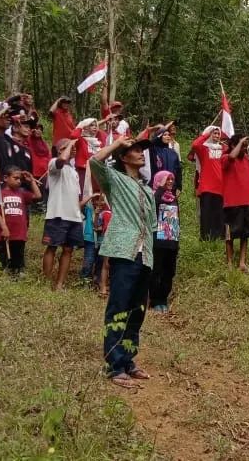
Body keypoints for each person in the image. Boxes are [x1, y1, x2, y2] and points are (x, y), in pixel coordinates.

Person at [90, 135, 156, 389]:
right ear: (124, 157)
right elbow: (95, 162)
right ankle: (114, 365)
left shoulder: (147, 190)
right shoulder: (115, 180)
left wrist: (151, 257)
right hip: (123, 251)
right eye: (136, 150)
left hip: (145, 254)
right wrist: (118, 143)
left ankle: (128, 359)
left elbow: (151, 226)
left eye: (141, 150)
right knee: (118, 306)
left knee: (137, 310)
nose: (141, 154)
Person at [41, 139, 85, 290]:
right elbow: (61, 161)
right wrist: (70, 142)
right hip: (57, 214)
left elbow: (76, 195)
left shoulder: (73, 172)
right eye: (69, 147)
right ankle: (46, 283)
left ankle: (59, 284)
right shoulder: (54, 163)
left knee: (68, 250)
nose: (73, 149)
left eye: (74, 147)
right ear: (60, 149)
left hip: (74, 216)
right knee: (52, 247)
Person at [0, 166, 40, 276]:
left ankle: (15, 279)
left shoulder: (22, 193)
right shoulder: (0, 193)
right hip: (3, 235)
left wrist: (32, 181)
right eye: (15, 178)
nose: (19, 181)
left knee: (17, 264)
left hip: (19, 235)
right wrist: (4, 228)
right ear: (5, 178)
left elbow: (38, 196)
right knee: (2, 263)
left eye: (20, 179)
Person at [222, 133, 249, 272]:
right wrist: (240, 142)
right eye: (242, 146)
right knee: (229, 235)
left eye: (245, 147)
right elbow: (231, 157)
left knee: (245, 234)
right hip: (231, 203)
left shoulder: (247, 160)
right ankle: (230, 263)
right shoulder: (226, 158)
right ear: (233, 145)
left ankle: (242, 263)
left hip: (246, 202)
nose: (244, 149)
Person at [149, 170, 180, 312]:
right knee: (157, 270)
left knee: (169, 271)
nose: (170, 182)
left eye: (171, 179)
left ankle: (163, 298)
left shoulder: (173, 198)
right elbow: (153, 207)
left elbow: (176, 220)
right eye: (167, 179)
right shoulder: (154, 196)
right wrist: (160, 188)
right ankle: (155, 300)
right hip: (158, 241)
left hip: (171, 240)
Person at [191, 125, 226, 241]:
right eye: (214, 133)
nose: (216, 135)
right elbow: (195, 145)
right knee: (206, 214)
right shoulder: (203, 149)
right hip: (207, 186)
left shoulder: (223, 148)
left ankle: (219, 236)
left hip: (221, 187)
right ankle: (206, 237)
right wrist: (206, 134)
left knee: (219, 214)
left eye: (218, 133)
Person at [149, 123, 182, 194]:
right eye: (165, 135)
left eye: (168, 135)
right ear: (160, 136)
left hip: (171, 187)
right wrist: (162, 130)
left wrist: (179, 187)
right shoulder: (153, 150)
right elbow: (151, 142)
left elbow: (178, 170)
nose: (168, 137)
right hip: (157, 187)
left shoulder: (173, 153)